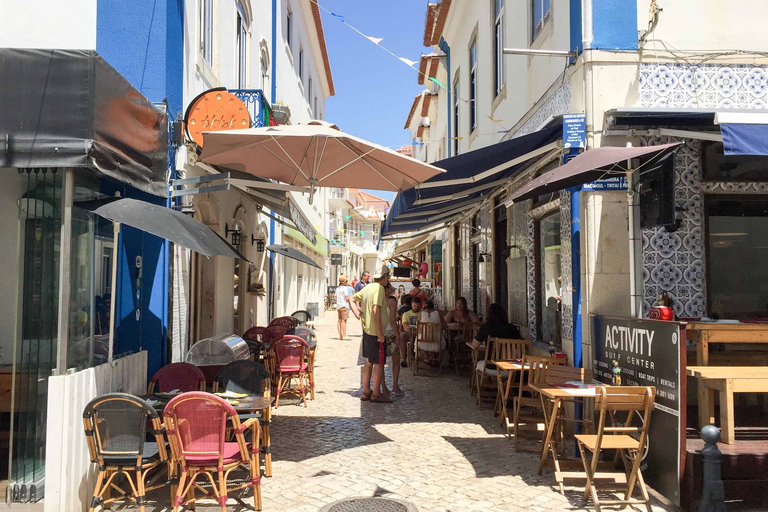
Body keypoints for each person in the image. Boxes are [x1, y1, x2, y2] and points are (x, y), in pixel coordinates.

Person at [352, 265, 391, 403]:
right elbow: (375, 310)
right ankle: (375, 393)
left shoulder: (368, 287)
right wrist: (380, 332)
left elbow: (352, 299)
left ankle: (366, 391)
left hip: (367, 330)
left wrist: (358, 315)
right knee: (379, 363)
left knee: (368, 361)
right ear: (385, 277)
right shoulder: (379, 289)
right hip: (375, 332)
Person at [384, 283, 404, 395]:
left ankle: (383, 387)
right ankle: (395, 386)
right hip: (391, 332)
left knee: (380, 362)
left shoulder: (379, 302)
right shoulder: (392, 302)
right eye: (390, 287)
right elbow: (392, 320)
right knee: (395, 361)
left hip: (381, 332)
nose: (392, 289)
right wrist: (397, 334)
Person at [400, 295, 422, 363]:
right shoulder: (406, 314)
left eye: (418, 306)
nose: (416, 308)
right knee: (402, 336)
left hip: (421, 334)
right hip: (410, 333)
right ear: (411, 304)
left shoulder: (422, 313)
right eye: (414, 306)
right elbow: (405, 327)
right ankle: (404, 359)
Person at [335, 275, 357, 340]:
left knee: (339, 321)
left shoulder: (337, 289)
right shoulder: (345, 288)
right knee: (344, 320)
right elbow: (347, 297)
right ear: (344, 282)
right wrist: (352, 299)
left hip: (339, 305)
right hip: (344, 305)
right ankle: (344, 335)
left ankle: (340, 335)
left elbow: (335, 297)